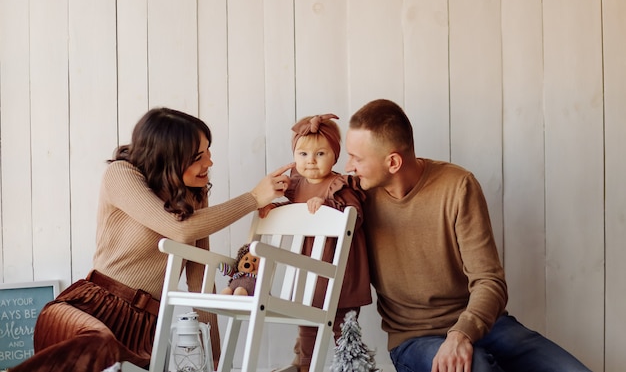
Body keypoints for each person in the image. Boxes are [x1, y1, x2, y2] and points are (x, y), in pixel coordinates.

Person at [9, 107, 293, 372]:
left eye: (208, 151)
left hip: (143, 330)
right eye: (198, 157)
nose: (209, 162)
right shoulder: (121, 175)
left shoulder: (195, 195)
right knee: (100, 343)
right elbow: (179, 229)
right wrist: (253, 199)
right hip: (89, 309)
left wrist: (216, 360)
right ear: (167, 157)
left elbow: (200, 279)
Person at [344, 99, 591, 372]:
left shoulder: (458, 186)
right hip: (415, 339)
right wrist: (288, 190)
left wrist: (461, 333)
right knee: (479, 367)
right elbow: (311, 188)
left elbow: (490, 281)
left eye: (356, 158)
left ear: (392, 162)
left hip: (484, 325)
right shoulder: (355, 196)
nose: (348, 166)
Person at [259, 114, 372, 372]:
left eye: (320, 154)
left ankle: (352, 365)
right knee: (306, 320)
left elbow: (355, 218)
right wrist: (273, 209)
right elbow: (292, 214)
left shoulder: (339, 185)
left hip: (340, 267)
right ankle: (305, 366)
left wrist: (329, 207)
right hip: (308, 268)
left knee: (344, 322)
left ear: (335, 155)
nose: (310, 161)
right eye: (302, 154)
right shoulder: (296, 186)